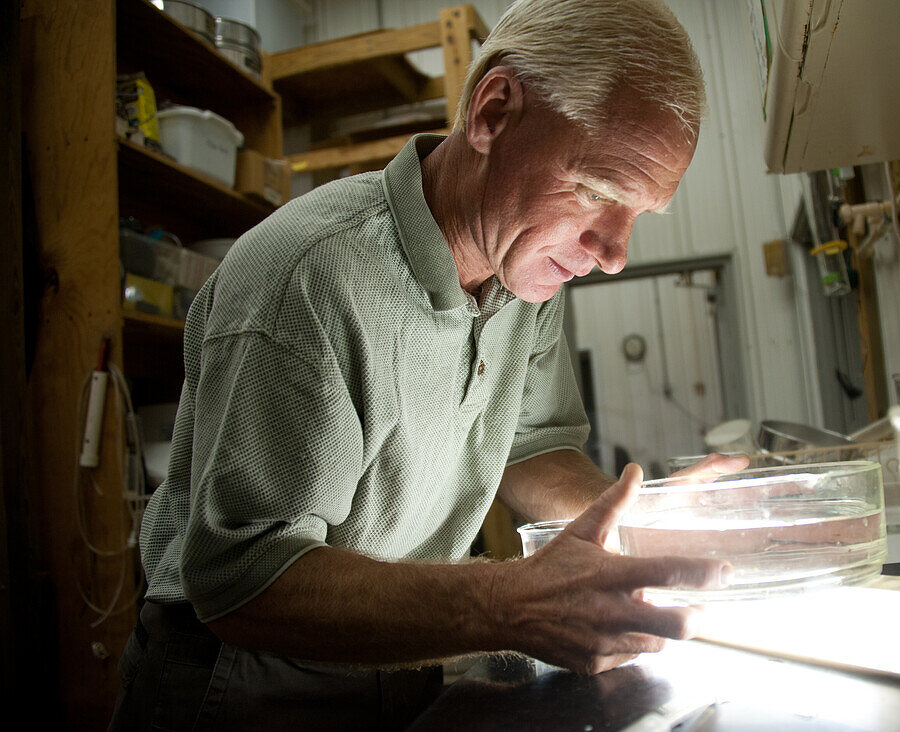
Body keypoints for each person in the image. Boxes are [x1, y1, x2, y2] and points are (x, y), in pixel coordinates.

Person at [109, 0, 747, 728]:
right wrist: (512, 602)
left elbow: (530, 448)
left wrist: (647, 521)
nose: (614, 253)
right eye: (598, 192)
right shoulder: (308, 278)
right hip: (238, 671)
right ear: (492, 112)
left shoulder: (524, 272)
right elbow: (244, 580)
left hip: (397, 647)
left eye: (639, 215)